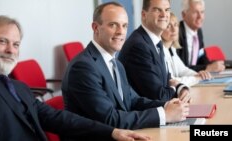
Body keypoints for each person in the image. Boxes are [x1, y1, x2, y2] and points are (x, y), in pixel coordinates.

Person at [0, 15, 151, 141]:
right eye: (3, 41)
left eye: (16, 44)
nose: (11, 50)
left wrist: (112, 132)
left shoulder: (19, 87)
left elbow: (58, 118)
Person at [62, 1, 189, 130]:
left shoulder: (116, 64)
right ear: (96, 28)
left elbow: (133, 101)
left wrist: (167, 106)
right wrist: (164, 115)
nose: (121, 32)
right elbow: (110, 119)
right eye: (113, 25)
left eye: (124, 26)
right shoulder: (83, 68)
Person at [118, 0, 190, 102]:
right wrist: (176, 89)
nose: (164, 15)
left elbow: (167, 79)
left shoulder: (155, 41)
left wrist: (181, 88)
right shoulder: (139, 46)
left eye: (167, 10)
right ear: (144, 15)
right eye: (157, 10)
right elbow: (159, 96)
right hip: (148, 114)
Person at [162, 12, 212, 87]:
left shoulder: (171, 49)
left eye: (175, 25)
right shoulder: (160, 52)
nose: (174, 29)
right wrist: (196, 78)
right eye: (168, 26)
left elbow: (182, 70)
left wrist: (198, 74)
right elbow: (172, 81)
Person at [177, 0, 225, 72]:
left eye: (202, 12)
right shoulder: (176, 32)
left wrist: (214, 65)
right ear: (184, 15)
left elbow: (201, 56)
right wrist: (207, 68)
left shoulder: (198, 32)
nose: (200, 16)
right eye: (195, 12)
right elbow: (180, 69)